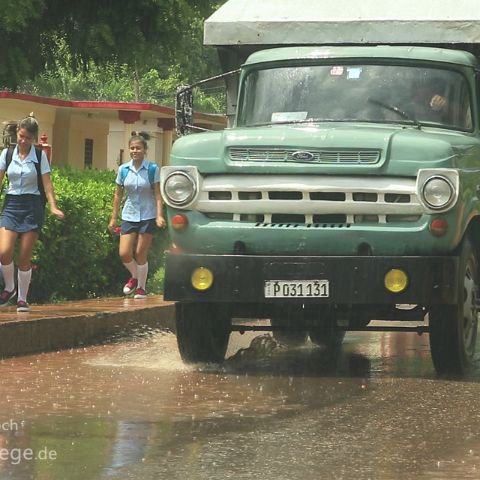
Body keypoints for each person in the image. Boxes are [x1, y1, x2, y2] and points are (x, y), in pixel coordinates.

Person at [0, 114, 64, 311]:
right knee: (4, 252)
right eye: (21, 136)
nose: (23, 140)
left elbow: (47, 184)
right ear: (17, 133)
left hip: (32, 206)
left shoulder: (39, 156)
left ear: (34, 138)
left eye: (28, 138)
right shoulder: (7, 154)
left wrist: (53, 206)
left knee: (24, 257)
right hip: (11, 205)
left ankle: (22, 298)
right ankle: (9, 287)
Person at [108, 131, 166, 299]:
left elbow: (157, 194)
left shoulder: (152, 169)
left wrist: (159, 215)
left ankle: (141, 287)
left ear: (145, 150)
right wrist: (113, 217)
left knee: (141, 253)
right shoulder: (123, 170)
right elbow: (118, 195)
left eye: (138, 148)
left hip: (148, 214)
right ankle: (135, 276)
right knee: (124, 253)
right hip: (129, 214)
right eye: (132, 148)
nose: (135, 151)